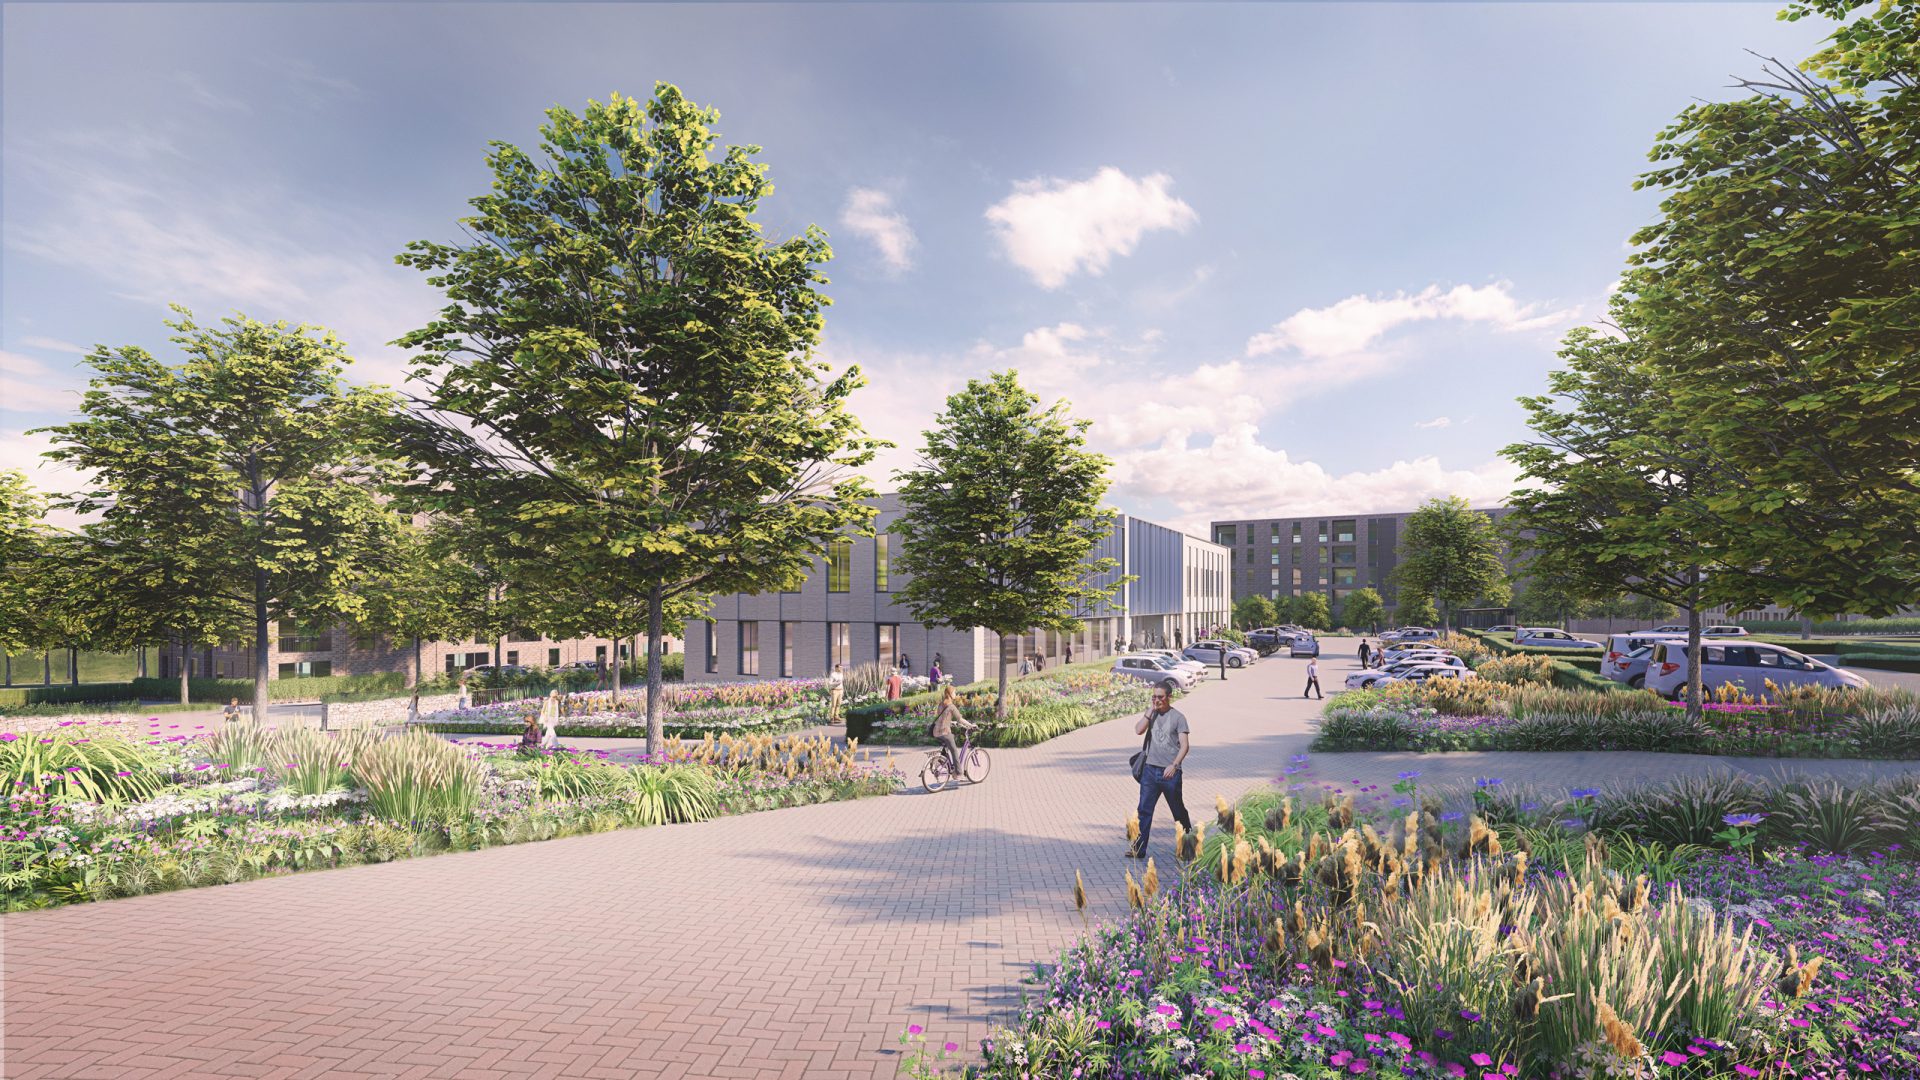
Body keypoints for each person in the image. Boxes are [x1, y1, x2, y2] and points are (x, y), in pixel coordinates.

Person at [1127, 687, 1191, 859]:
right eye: (1154, 697)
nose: (1157, 700)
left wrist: (1174, 765)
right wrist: (1149, 712)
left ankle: (1189, 846)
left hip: (1170, 773)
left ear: (1169, 696)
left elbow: (1184, 745)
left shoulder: (1178, 718)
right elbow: (1138, 730)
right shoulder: (1152, 714)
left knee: (1178, 811)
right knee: (1144, 811)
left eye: (1160, 697)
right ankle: (1139, 849)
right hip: (1149, 771)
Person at [928, 684, 974, 773]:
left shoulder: (941, 704)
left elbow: (941, 717)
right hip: (944, 732)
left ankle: (941, 761)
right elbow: (960, 719)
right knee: (954, 751)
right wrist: (971, 725)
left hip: (935, 732)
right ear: (950, 694)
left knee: (947, 747)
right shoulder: (951, 706)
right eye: (954, 692)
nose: (955, 694)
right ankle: (958, 773)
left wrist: (951, 722)